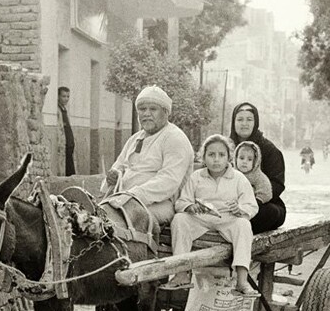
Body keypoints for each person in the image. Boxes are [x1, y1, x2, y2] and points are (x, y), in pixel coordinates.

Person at [164, 134, 259, 296]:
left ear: (229, 158)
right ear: (203, 157)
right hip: (201, 219)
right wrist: (190, 207)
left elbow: (252, 205)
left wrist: (240, 209)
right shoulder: (196, 177)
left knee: (244, 225)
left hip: (228, 219)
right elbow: (181, 202)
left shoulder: (238, 178)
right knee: (179, 219)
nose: (216, 160)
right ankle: (181, 274)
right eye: (211, 155)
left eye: (221, 155)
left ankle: (242, 280)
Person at [101, 85, 194, 224]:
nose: (146, 114)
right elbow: (119, 166)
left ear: (166, 112)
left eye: (153, 109)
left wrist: (133, 196)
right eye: (142, 109)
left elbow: (169, 181)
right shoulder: (135, 139)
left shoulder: (174, 138)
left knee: (121, 220)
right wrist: (113, 176)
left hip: (160, 203)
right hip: (124, 198)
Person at [229, 102, 286, 232]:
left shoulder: (269, 150)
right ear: (233, 122)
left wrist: (250, 198)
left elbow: (277, 184)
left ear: (255, 122)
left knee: (268, 213)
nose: (244, 123)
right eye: (240, 119)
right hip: (230, 202)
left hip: (263, 203)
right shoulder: (226, 147)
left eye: (249, 119)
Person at [58, 86, 76, 176]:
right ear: (58, 97)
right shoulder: (58, 110)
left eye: (68, 96)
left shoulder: (65, 109)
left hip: (69, 144)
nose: (66, 99)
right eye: (63, 96)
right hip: (64, 144)